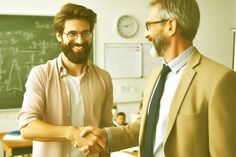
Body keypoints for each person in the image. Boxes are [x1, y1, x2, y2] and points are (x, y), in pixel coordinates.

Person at [78, 0, 236, 156]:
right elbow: (144, 127)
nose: (146, 35)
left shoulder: (220, 80)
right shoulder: (155, 75)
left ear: (170, 26)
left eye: (149, 26)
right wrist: (105, 136)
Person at [18, 3, 113, 157]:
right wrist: (71, 133)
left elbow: (106, 129)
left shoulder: (104, 78)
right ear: (59, 36)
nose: (80, 40)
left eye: (85, 33)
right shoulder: (41, 74)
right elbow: (27, 127)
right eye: (72, 34)